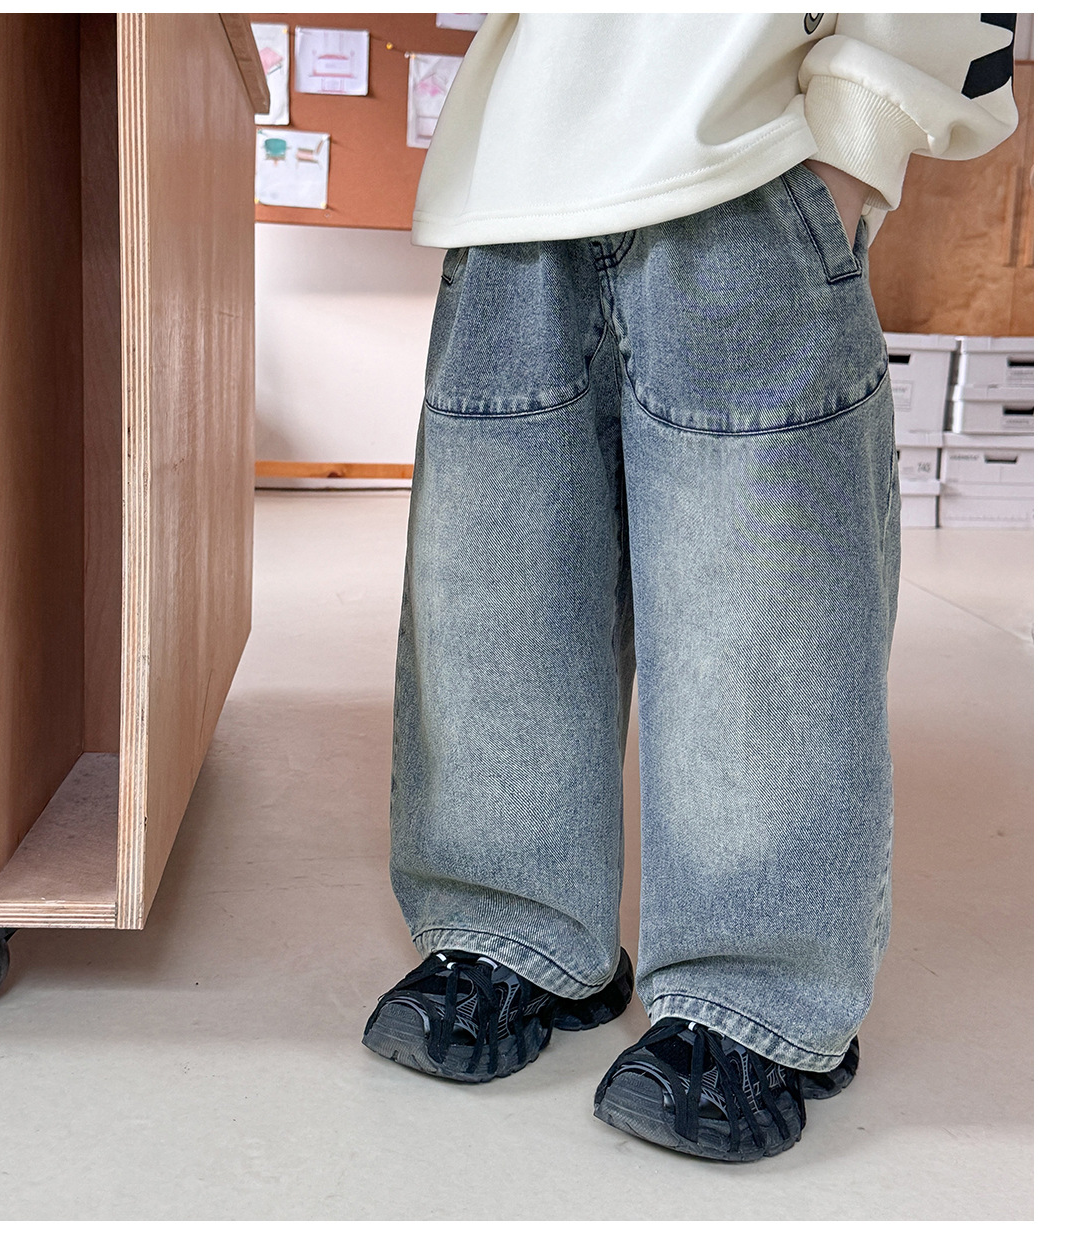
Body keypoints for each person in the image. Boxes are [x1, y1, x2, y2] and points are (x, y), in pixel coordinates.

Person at [362, 13, 1019, 1162]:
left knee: (757, 620)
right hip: (512, 180)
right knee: (494, 597)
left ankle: (750, 996)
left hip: (752, 153)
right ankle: (513, 931)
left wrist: (858, 137)